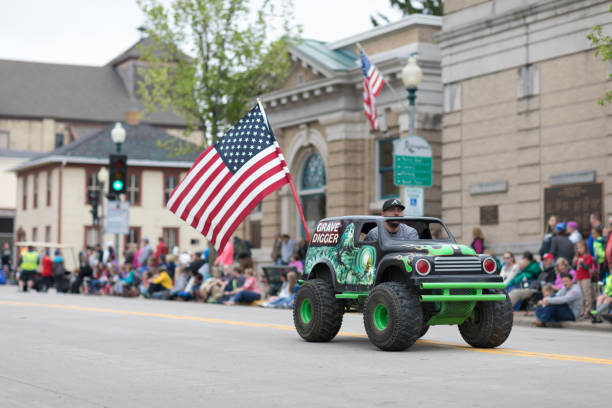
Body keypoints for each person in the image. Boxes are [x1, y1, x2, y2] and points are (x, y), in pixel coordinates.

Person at [572, 241, 594, 318]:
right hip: (579, 277)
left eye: (581, 247)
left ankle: (588, 310)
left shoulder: (587, 256)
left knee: (586, 294)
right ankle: (582, 310)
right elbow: (574, 268)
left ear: (585, 248)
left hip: (585, 278)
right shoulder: (577, 257)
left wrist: (581, 262)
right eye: (578, 248)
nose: (579, 249)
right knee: (580, 294)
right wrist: (574, 262)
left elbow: (587, 267)